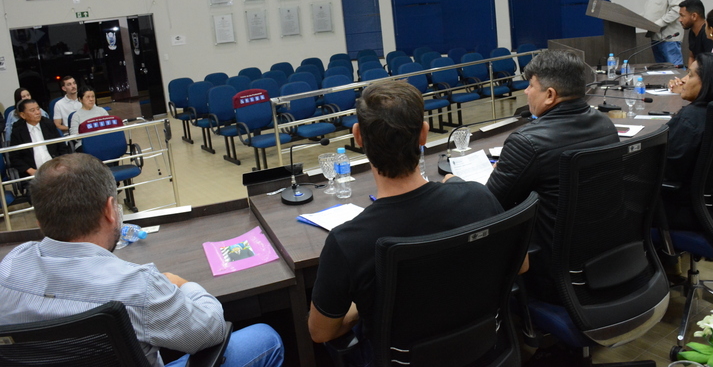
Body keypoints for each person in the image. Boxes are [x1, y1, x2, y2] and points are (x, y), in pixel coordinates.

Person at [0, 153, 284, 367]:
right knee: (266, 338)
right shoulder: (138, 287)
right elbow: (211, 331)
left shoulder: (7, 270)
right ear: (110, 210)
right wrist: (184, 285)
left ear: (40, 221)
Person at [308, 80, 504, 360]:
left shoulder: (346, 241)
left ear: (358, 137)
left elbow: (321, 332)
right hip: (485, 348)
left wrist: (364, 307)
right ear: (424, 134)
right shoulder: (478, 197)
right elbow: (519, 266)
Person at [485, 49, 619, 303]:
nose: (526, 92)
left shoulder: (527, 142)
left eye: (530, 86)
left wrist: (457, 183)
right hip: (605, 258)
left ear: (550, 95)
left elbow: (490, 204)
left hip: (551, 273)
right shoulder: (605, 124)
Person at [662, 53, 713, 230]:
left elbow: (665, 169)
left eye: (690, 75)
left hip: (681, 209)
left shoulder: (690, 120)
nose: (683, 80)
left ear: (709, 82)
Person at [9, 99, 69, 177]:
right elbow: (14, 157)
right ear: (23, 115)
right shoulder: (18, 130)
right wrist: (30, 170)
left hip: (55, 168)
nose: (37, 112)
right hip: (33, 173)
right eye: (32, 110)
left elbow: (62, 148)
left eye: (38, 109)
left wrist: (59, 165)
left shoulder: (48, 124)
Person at [678, 0, 713, 66]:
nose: (680, 19)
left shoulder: (708, 33)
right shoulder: (692, 32)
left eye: (682, 16)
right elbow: (692, 56)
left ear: (694, 16)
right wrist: (689, 72)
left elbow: (711, 63)